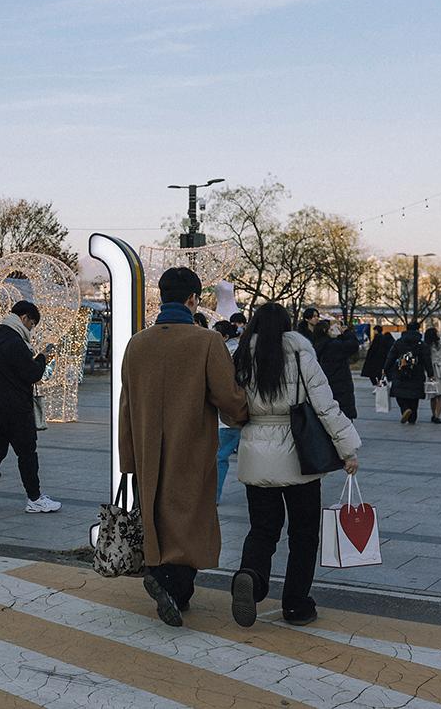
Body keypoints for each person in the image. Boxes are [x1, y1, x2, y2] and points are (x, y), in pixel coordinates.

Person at [119, 268, 248, 626]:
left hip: (146, 448)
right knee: (189, 516)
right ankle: (175, 589)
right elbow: (228, 397)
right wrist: (244, 413)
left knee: (156, 512)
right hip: (190, 445)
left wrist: (127, 457)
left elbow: (126, 404)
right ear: (193, 299)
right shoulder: (206, 342)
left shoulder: (137, 343)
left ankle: (161, 576)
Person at [228, 303, 360, 628]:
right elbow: (325, 406)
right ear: (289, 326)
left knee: (262, 529)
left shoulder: (243, 356)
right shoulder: (302, 354)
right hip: (300, 453)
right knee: (303, 534)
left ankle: (251, 577)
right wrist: (347, 449)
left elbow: (232, 405)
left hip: (256, 451)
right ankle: (296, 605)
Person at [0, 301, 62, 514]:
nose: (31, 329)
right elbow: (32, 374)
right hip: (16, 408)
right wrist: (43, 357)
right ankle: (35, 498)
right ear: (25, 318)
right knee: (27, 453)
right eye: (32, 324)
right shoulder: (14, 342)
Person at [213, 321, 241, 503]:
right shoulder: (239, 351)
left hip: (228, 416)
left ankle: (214, 495)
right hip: (235, 415)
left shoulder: (226, 354)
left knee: (220, 457)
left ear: (225, 336)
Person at [385, 322, 432, 424]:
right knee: (414, 397)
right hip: (417, 373)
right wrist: (430, 373)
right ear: (418, 330)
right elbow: (427, 359)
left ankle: (405, 409)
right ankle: (412, 417)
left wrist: (385, 369)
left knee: (400, 394)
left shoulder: (399, 342)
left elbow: (391, 356)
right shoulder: (421, 344)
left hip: (400, 372)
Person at [311, 319, 359, 419]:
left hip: (326, 385)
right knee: (343, 419)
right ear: (325, 331)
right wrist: (346, 332)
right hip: (340, 386)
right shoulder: (333, 345)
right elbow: (353, 345)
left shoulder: (318, 344)